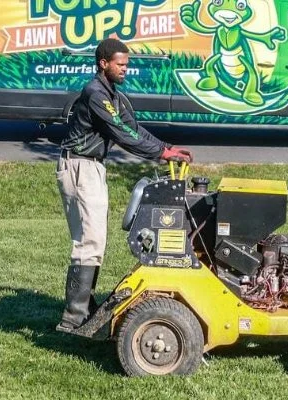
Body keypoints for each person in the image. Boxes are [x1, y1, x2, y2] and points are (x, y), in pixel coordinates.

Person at [55, 38, 193, 333]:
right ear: (103, 63)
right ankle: (73, 316)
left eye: (127, 64)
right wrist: (160, 153)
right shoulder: (95, 94)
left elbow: (133, 127)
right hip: (79, 167)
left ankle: (84, 307)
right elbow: (122, 133)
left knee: (95, 240)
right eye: (120, 64)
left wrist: (165, 147)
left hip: (92, 167)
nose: (125, 69)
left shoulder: (113, 94)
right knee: (89, 240)